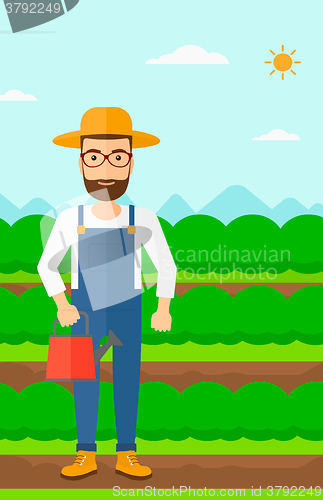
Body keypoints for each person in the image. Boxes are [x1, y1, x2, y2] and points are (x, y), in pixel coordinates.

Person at [38, 107, 176, 480]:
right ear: (81, 164)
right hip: (84, 311)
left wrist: (163, 308)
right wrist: (63, 303)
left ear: (131, 164)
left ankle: (126, 452)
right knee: (84, 379)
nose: (106, 168)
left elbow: (166, 263)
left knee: (128, 378)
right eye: (95, 157)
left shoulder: (142, 217)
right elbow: (46, 265)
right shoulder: (71, 220)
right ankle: (85, 452)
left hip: (129, 308)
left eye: (117, 157)